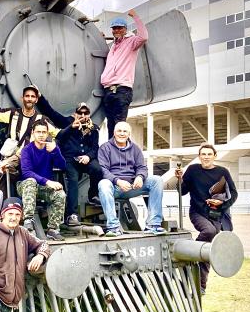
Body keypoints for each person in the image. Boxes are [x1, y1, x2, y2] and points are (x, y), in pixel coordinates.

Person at [175, 144, 238, 294]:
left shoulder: (223, 172)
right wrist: (179, 179)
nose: (206, 157)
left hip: (216, 214)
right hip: (197, 212)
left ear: (215, 156)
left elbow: (234, 194)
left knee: (208, 248)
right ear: (199, 156)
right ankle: (192, 254)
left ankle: (201, 286)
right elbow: (182, 192)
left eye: (209, 154)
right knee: (208, 232)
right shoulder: (193, 170)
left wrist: (222, 203)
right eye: (203, 154)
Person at [37, 93, 102, 225]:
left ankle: (93, 195)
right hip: (70, 159)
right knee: (72, 180)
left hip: (86, 159)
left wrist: (88, 157)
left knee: (97, 169)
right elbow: (51, 113)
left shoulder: (93, 128)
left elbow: (95, 148)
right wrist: (40, 97)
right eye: (80, 113)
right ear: (76, 114)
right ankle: (71, 214)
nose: (83, 116)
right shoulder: (67, 122)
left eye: (86, 113)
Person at [98, 121, 165, 237]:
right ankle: (113, 227)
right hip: (114, 187)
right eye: (119, 131)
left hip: (132, 186)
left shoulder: (135, 149)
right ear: (114, 133)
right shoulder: (105, 148)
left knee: (156, 180)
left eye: (125, 131)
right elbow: (103, 170)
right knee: (103, 184)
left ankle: (153, 225)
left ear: (129, 134)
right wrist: (118, 181)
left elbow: (142, 167)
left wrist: (140, 177)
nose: (122, 134)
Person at [100, 9, 148, 140]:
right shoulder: (113, 48)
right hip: (108, 90)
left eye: (119, 28)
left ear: (125, 29)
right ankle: (111, 154)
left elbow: (143, 37)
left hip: (122, 90)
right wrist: (101, 40)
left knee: (119, 125)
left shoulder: (131, 42)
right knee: (110, 125)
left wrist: (135, 17)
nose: (116, 30)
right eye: (114, 28)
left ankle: (120, 153)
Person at [17, 119, 66, 241]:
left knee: (60, 194)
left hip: (43, 188)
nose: (41, 134)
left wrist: (55, 151)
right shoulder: (27, 150)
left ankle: (53, 229)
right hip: (25, 187)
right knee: (31, 181)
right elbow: (27, 172)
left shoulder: (51, 148)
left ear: (47, 133)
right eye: (38, 132)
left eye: (44, 132)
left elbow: (63, 166)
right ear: (33, 133)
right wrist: (48, 181)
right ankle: (28, 222)